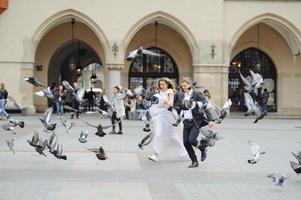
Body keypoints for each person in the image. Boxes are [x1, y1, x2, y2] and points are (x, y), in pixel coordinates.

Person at [148, 77, 187, 162]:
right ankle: (155, 154)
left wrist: (166, 102)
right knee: (158, 134)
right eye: (160, 84)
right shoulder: (159, 92)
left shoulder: (169, 91)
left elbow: (170, 103)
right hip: (160, 115)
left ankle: (183, 151)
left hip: (169, 116)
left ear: (167, 84)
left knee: (173, 137)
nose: (161, 86)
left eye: (163, 84)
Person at [179, 77, 214, 168]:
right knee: (186, 143)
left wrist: (210, 120)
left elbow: (205, 107)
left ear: (190, 85)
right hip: (186, 122)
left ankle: (202, 148)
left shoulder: (197, 95)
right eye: (182, 86)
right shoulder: (182, 96)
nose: (183, 87)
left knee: (191, 140)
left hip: (196, 122)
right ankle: (194, 161)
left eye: (185, 85)